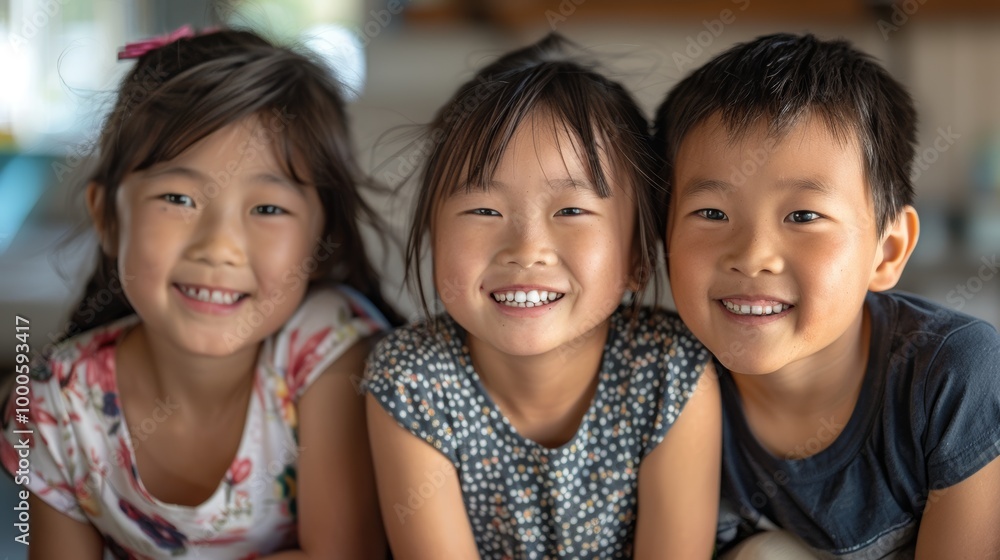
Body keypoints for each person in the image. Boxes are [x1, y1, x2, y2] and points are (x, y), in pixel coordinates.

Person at [1, 27, 402, 559]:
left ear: (321, 242)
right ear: (108, 217)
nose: (220, 247)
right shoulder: (57, 404)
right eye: (178, 197)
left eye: (268, 209)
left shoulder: (328, 349)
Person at [364, 34, 721, 559]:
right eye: (484, 211)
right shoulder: (412, 379)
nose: (526, 250)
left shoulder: (671, 373)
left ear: (638, 257)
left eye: (571, 211)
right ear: (435, 237)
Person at [653, 32, 1000, 558]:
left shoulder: (952, 374)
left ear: (887, 252)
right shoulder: (659, 382)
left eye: (803, 216)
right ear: (665, 238)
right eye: (712, 214)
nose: (752, 255)